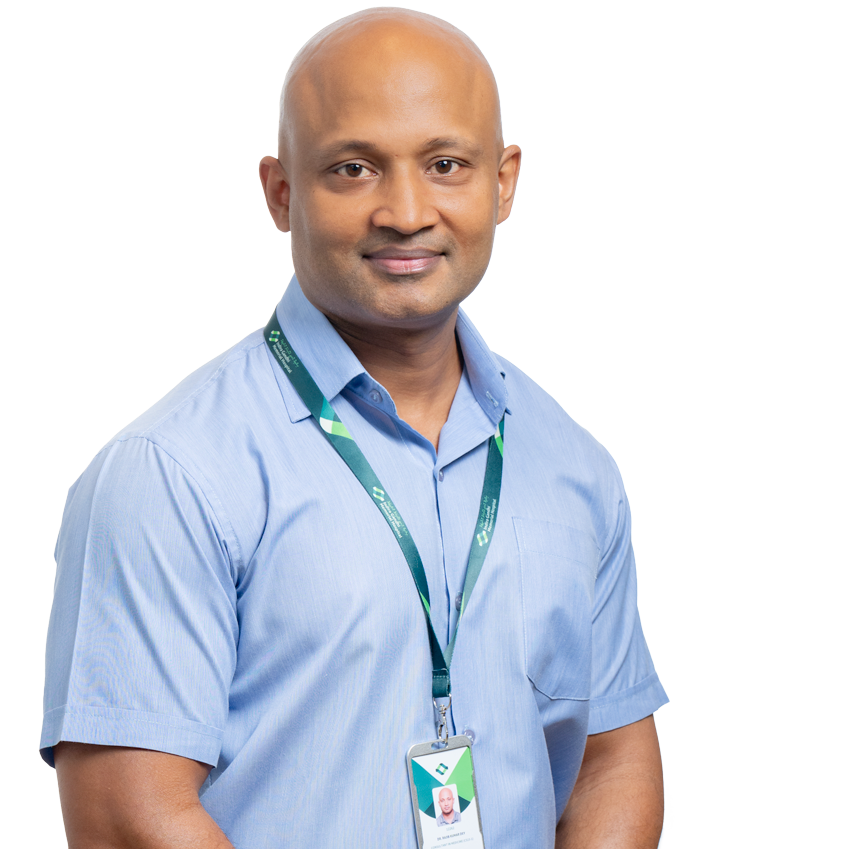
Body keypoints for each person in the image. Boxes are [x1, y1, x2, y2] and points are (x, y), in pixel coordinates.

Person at [41, 7, 668, 849]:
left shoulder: (573, 467)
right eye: (352, 169)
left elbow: (607, 761)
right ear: (281, 192)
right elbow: (129, 818)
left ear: (502, 182)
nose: (405, 211)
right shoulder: (170, 473)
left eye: (445, 164)